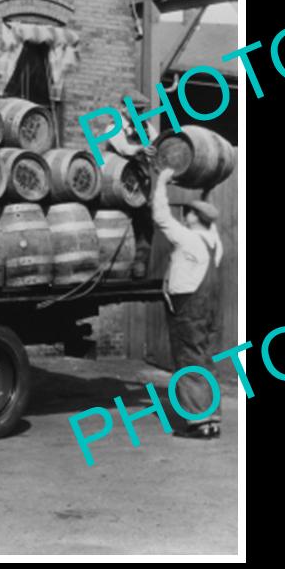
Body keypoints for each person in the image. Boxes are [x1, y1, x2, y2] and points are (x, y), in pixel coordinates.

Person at [151, 167, 224, 439]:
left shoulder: (187, 238)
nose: (185, 215)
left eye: (189, 212)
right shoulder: (214, 240)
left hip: (188, 309)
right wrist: (206, 188)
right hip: (208, 310)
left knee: (188, 362)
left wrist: (160, 181)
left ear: (194, 218)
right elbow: (211, 217)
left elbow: (160, 215)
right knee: (205, 360)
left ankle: (198, 423)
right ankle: (212, 419)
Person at [103, 87, 159, 278]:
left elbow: (157, 143)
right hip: (115, 184)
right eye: (138, 110)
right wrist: (142, 149)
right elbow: (125, 149)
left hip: (138, 186)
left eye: (142, 110)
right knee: (117, 225)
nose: (141, 114)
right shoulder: (113, 127)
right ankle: (115, 270)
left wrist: (156, 151)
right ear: (124, 109)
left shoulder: (145, 127)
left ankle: (139, 268)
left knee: (144, 224)